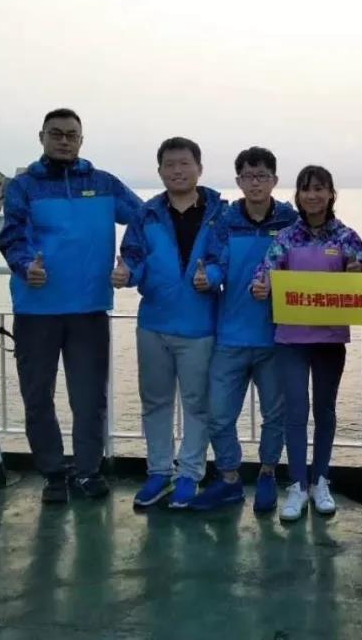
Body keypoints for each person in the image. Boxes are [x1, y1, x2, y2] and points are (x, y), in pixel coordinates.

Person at [0, 108, 143, 503]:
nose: (64, 140)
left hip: (89, 309)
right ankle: (52, 474)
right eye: (56, 133)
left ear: (81, 139)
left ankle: (88, 471)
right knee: (37, 397)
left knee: (90, 398)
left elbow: (147, 218)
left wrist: (130, 261)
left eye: (71, 135)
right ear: (41, 137)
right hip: (36, 310)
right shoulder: (23, 186)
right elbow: (12, 234)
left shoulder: (103, 183)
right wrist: (25, 266)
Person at [116, 137, 225, 509]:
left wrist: (211, 275)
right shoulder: (146, 214)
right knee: (155, 402)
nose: (177, 171)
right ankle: (159, 471)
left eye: (184, 163)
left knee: (198, 405)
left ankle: (190, 474)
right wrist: (126, 274)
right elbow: (132, 256)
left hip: (199, 326)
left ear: (199, 168)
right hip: (153, 325)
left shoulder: (220, 213)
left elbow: (222, 258)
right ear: (160, 170)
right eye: (170, 165)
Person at [254, 165, 362, 521]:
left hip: (330, 339)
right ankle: (297, 485)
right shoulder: (286, 238)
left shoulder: (347, 237)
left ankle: (321, 481)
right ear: (298, 196)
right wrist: (261, 286)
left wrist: (357, 272)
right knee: (296, 411)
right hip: (291, 339)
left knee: (325, 411)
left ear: (331, 193)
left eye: (320, 188)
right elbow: (264, 273)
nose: (313, 195)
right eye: (306, 189)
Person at [193, 147, 298, 513]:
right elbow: (216, 263)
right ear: (238, 181)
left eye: (262, 176)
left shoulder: (289, 220)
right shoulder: (225, 221)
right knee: (219, 415)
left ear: (274, 180)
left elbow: (303, 263)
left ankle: (268, 473)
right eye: (249, 177)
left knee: (275, 415)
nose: (256, 183)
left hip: (276, 338)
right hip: (231, 337)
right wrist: (208, 278)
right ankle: (229, 479)